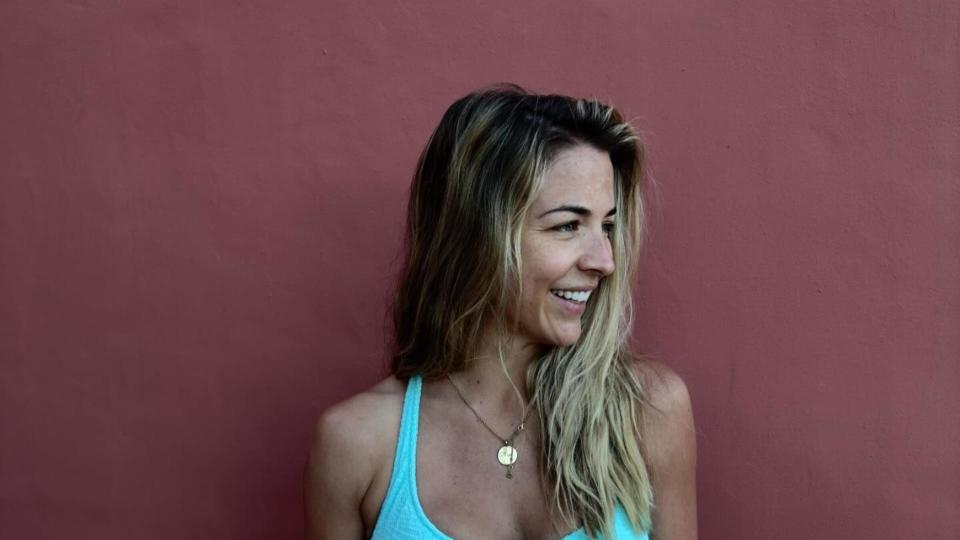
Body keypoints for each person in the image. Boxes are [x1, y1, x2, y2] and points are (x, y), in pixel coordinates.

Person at [304, 84, 697, 539]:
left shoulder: (647, 411)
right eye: (568, 225)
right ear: (477, 237)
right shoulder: (358, 444)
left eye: (606, 226)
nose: (604, 261)